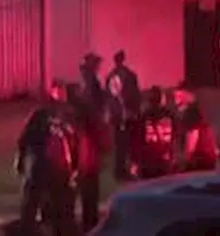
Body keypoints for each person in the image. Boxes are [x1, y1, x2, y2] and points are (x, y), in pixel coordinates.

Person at [14, 81, 78, 236]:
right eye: (58, 90)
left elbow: (74, 143)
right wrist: (21, 160)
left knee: (60, 208)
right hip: (41, 166)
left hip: (59, 169)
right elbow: (24, 138)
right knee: (31, 204)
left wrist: (74, 167)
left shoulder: (68, 115)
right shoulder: (41, 114)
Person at [65, 83, 103, 232]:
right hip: (88, 160)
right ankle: (90, 224)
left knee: (73, 197)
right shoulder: (86, 110)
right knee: (89, 197)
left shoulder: (70, 112)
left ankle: (81, 225)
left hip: (82, 160)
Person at [104, 50, 141, 181]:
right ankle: (124, 170)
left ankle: (120, 170)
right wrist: (135, 111)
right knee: (128, 144)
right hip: (126, 115)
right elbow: (135, 95)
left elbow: (109, 97)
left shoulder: (111, 76)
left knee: (121, 144)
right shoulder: (130, 76)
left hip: (119, 116)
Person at [172, 83, 220, 172]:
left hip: (199, 160)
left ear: (188, 96)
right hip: (207, 159)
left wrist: (186, 159)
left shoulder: (191, 114)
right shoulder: (197, 112)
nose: (176, 100)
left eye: (179, 96)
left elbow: (193, 134)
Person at [132, 87, 176, 179]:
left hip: (148, 161)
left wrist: (136, 161)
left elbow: (137, 140)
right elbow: (176, 137)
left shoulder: (143, 117)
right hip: (165, 159)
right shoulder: (170, 116)